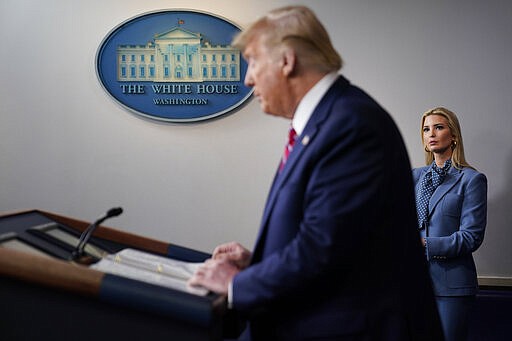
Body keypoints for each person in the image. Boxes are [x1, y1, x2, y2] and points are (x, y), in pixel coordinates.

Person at [189, 6, 443, 340]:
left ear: (286, 60)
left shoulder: (352, 125)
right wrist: (257, 264)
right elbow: (337, 240)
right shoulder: (329, 121)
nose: (248, 78)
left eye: (252, 60)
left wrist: (236, 284)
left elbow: (321, 249)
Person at [413, 107, 487, 341]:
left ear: (453, 135)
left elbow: (471, 236)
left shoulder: (471, 179)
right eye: (426, 129)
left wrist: (425, 244)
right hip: (414, 284)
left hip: (451, 286)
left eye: (439, 127)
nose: (431, 133)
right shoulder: (415, 176)